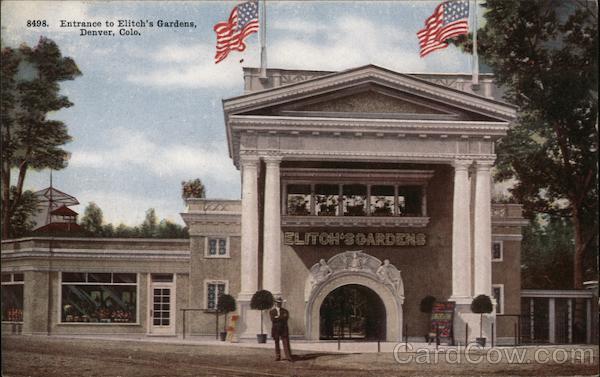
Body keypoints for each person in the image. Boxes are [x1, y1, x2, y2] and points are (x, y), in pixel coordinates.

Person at [269, 297, 293, 362]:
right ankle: (278, 356)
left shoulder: (285, 311)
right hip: (276, 329)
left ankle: (288, 356)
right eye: (277, 302)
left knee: (286, 343)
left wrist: (277, 317)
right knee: (276, 343)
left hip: (283, 329)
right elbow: (273, 319)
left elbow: (286, 318)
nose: (279, 304)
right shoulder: (272, 311)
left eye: (280, 302)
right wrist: (280, 317)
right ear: (275, 303)